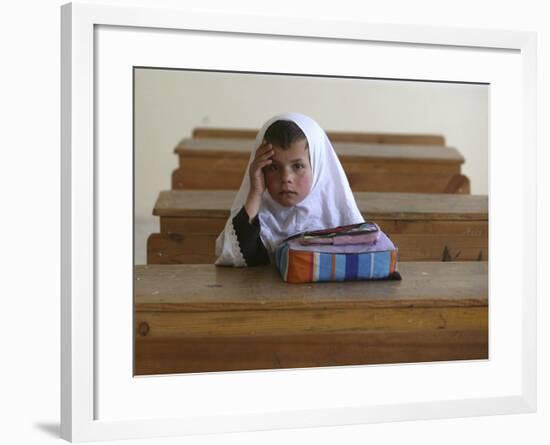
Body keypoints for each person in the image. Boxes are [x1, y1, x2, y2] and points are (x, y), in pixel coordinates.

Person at [214, 112, 364, 267]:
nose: (286, 178)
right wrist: (255, 193)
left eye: (298, 166)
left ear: (318, 167)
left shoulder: (339, 218)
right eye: (273, 167)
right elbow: (235, 258)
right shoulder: (256, 215)